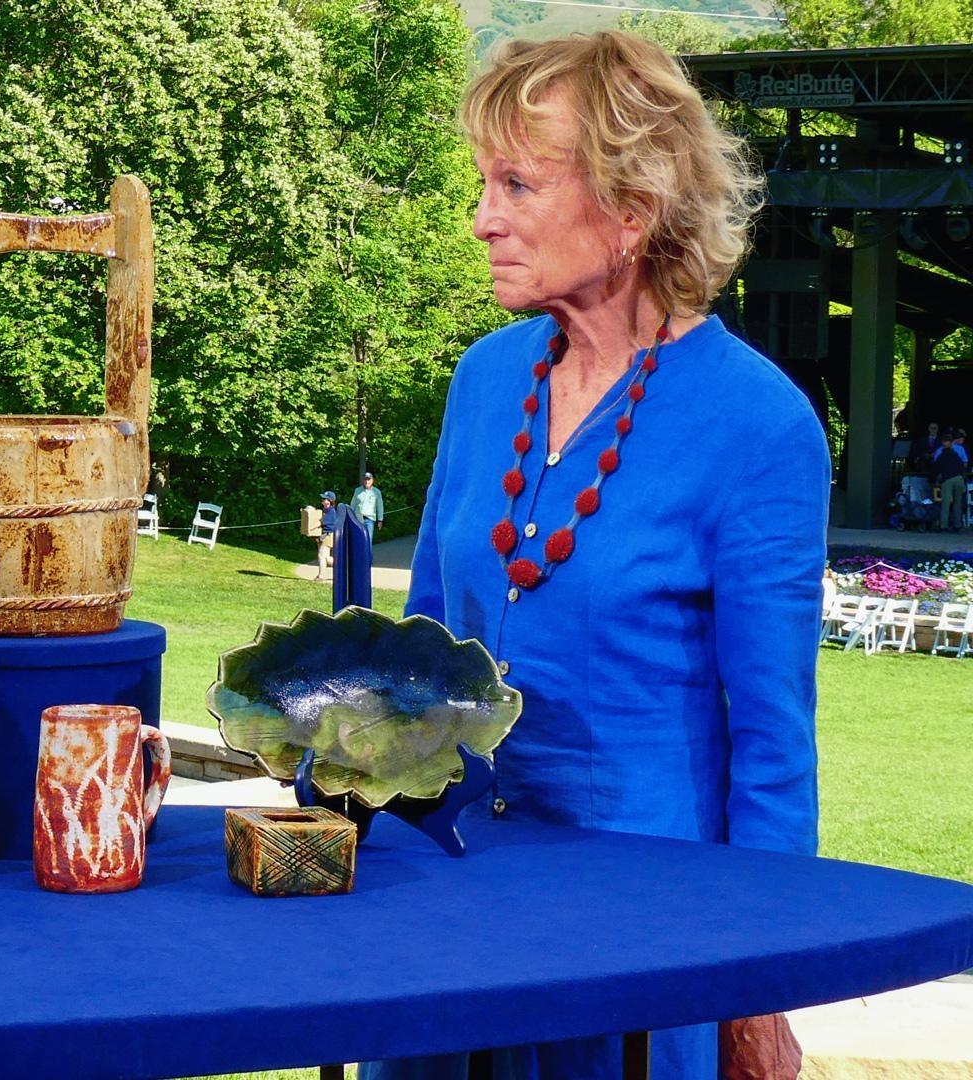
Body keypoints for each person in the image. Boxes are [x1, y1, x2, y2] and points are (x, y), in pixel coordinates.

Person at [373, 32, 826, 1080]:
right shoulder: (485, 382)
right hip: (454, 926)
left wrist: (756, 997)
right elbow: (421, 665)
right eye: (484, 183)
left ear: (632, 209)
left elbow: (772, 747)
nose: (483, 217)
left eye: (518, 184)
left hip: (647, 943)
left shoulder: (761, 424)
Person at [935, 428, 968, 531]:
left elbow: (936, 466)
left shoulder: (940, 451)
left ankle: (943, 525)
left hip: (947, 479)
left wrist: (934, 479)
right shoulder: (960, 449)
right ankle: (957, 525)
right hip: (959, 478)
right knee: (958, 502)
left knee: (945, 502)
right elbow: (965, 463)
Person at [350, 471, 384, 543]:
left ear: (372, 480)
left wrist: (380, 520)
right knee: (358, 540)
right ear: (363, 480)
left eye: (369, 479)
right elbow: (352, 504)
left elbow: (380, 506)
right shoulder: (357, 490)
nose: (367, 481)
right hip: (358, 519)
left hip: (370, 520)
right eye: (365, 479)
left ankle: (368, 554)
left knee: (368, 541)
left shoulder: (377, 492)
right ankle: (358, 554)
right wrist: (350, 517)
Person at [314, 490, 339, 581]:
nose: (323, 500)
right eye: (323, 498)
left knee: (321, 555)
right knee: (326, 558)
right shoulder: (325, 510)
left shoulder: (331, 511)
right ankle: (342, 567)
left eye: (325, 499)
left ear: (330, 501)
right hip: (324, 535)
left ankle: (320, 576)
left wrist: (310, 528)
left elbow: (320, 523)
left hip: (328, 536)